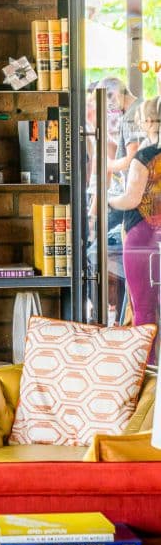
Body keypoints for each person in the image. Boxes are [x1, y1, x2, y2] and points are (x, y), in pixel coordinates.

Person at [108, 96, 161, 353]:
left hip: (143, 237)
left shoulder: (145, 156)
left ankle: (148, 372)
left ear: (149, 121)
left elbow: (131, 199)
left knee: (143, 309)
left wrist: (109, 201)